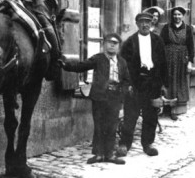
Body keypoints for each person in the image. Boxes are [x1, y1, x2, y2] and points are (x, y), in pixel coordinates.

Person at [58, 33, 130, 165]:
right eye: (109, 42)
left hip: (115, 98)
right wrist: (65, 65)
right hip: (100, 97)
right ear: (104, 44)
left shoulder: (122, 62)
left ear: (119, 46)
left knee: (112, 126)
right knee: (99, 126)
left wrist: (122, 92)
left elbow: (126, 80)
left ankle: (109, 154)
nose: (112, 45)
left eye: (115, 43)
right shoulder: (98, 59)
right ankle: (98, 154)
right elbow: (81, 66)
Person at [116, 12, 168, 157]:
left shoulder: (158, 41)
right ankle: (124, 144)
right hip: (135, 82)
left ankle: (148, 144)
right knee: (130, 116)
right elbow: (123, 65)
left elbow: (163, 64)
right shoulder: (130, 42)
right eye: (142, 22)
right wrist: (127, 84)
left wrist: (163, 85)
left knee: (151, 115)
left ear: (152, 24)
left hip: (153, 82)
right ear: (137, 24)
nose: (145, 25)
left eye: (148, 22)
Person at [159, 6, 194, 120]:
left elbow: (191, 47)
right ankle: (165, 108)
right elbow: (161, 44)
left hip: (181, 60)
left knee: (178, 83)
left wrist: (190, 62)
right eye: (175, 14)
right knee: (167, 82)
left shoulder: (187, 29)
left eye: (179, 14)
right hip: (168, 58)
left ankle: (175, 110)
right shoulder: (166, 28)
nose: (177, 17)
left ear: (183, 16)